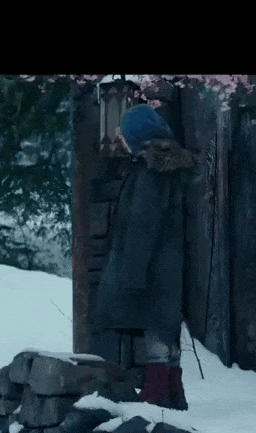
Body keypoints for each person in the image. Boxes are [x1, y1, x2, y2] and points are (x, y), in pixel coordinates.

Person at [91, 104, 198, 410]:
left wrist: (132, 274)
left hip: (150, 266)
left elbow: (143, 224)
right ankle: (173, 391)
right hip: (168, 264)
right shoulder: (167, 167)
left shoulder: (151, 171)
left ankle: (157, 392)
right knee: (165, 325)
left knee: (153, 326)